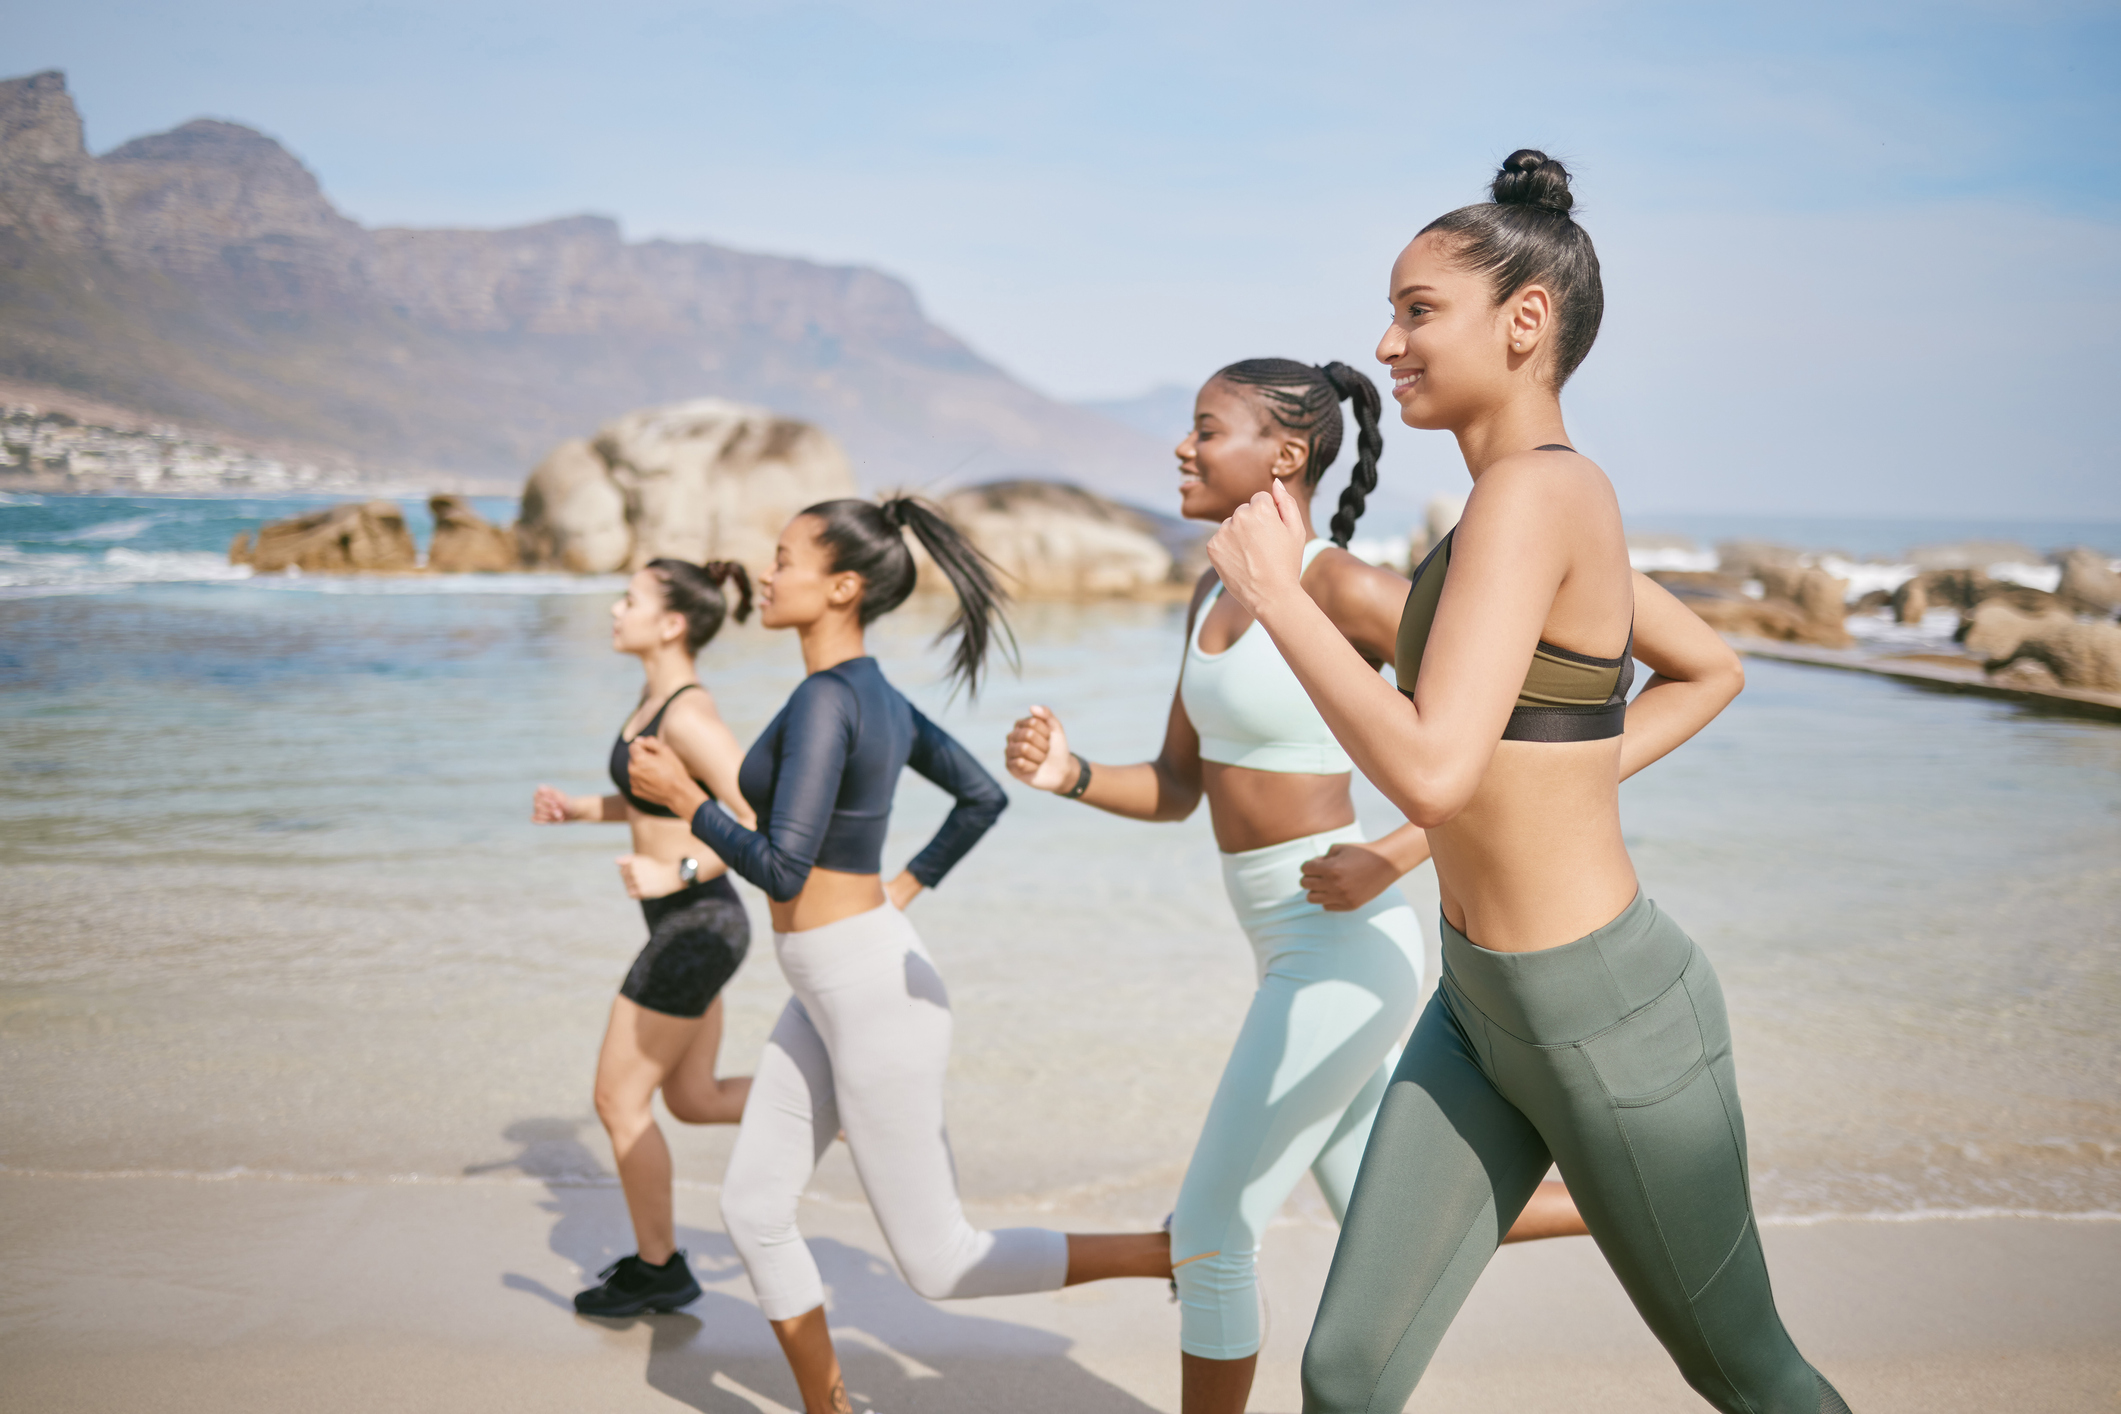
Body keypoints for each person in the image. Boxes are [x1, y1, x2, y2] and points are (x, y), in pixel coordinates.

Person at [1205, 151, 1849, 1413]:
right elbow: (1704, 671)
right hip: (1476, 1009)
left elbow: (1438, 768)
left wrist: (1284, 600)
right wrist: (1537, 795)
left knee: (1747, 1372)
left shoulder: (1547, 492)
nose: (1386, 342)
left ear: (1527, 319)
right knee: (1343, 1374)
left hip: (1606, 1018)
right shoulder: (1510, 507)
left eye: (1417, 310)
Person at [1005, 358, 1585, 1414]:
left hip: (1348, 944)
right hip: (1279, 942)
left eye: (1204, 430)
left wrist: (1397, 850)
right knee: (1383, 1208)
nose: (1182, 448)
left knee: (1213, 1232)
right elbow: (1180, 786)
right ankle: (1613, 1190)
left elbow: (1499, 742)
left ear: (1283, 455)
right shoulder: (1210, 589)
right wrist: (1074, 774)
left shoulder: (1343, 588)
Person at [626, 497, 1171, 1414]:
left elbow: (781, 865)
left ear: (842, 587)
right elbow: (980, 797)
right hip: (838, 980)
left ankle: (1171, 1252)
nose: (767, 574)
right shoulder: (870, 695)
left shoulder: (827, 699)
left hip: (870, 990)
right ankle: (828, 1408)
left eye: (784, 558)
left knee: (940, 1263)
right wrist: (903, 889)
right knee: (753, 1212)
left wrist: (687, 797)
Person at [530, 559, 760, 1317]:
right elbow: (651, 804)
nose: (613, 610)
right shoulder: (652, 699)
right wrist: (580, 810)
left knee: (616, 1100)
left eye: (629, 600)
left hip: (698, 923)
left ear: (671, 624)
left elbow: (758, 824)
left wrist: (681, 871)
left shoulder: (690, 714)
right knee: (692, 1099)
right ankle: (844, 1108)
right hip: (695, 925)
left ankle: (658, 1268)